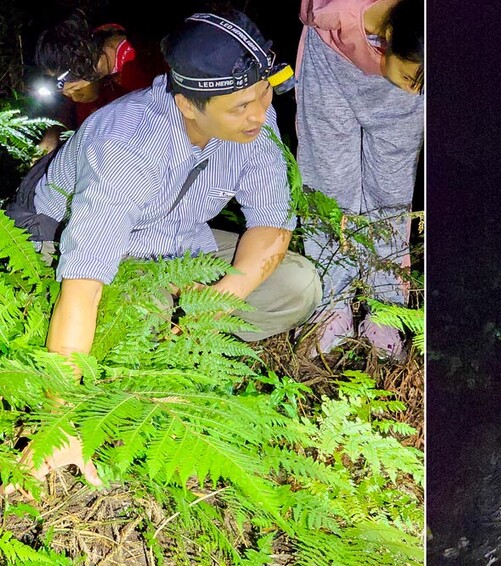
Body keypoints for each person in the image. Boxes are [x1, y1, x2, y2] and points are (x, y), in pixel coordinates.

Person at [3, 10, 321, 492]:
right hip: (80, 243)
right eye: (240, 106)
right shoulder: (126, 145)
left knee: (297, 286)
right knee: (143, 315)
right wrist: (60, 422)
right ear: (188, 104)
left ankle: (178, 343)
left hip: (180, 242)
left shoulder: (254, 120)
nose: (258, 114)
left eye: (263, 95)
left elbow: (271, 222)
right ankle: (142, 361)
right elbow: (83, 288)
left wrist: (221, 298)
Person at [295, 0, 424, 359]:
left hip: (398, 98)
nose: (417, 90)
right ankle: (331, 305)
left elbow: (416, 79)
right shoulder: (336, 9)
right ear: (390, 33)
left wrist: (414, 84)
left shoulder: (415, 77)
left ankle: (385, 309)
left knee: (391, 196)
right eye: (414, 80)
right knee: (329, 186)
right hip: (331, 70)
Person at [33, 8, 166, 152]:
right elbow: (65, 112)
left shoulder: (135, 65)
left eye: (63, 79)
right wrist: (54, 131)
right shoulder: (94, 49)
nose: (65, 89)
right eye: (57, 82)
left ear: (79, 60)